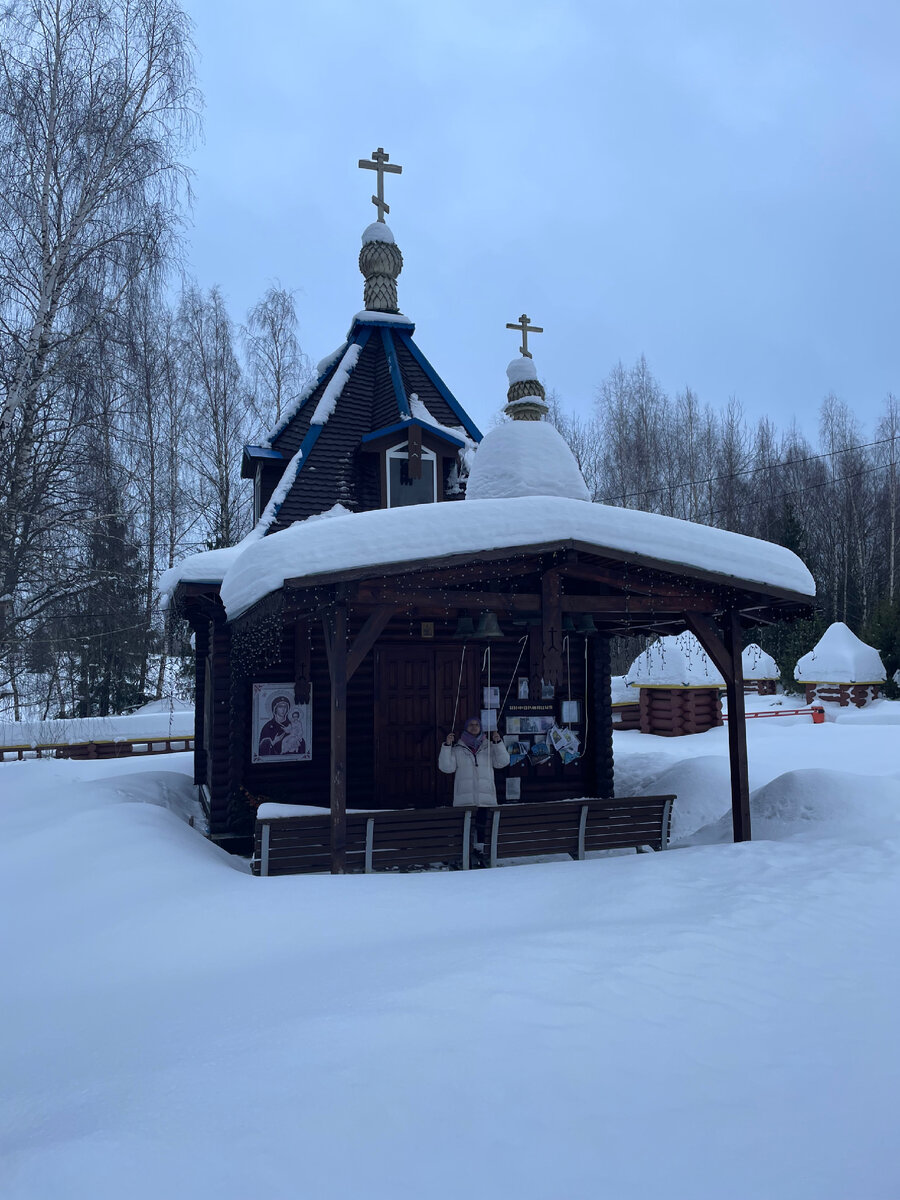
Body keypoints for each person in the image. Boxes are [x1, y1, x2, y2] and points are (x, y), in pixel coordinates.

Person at [439, 716, 510, 856]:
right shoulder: (458, 748)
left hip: (485, 796)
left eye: (476, 724)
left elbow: (503, 762)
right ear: (466, 728)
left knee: (482, 827)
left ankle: (480, 852)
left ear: (480, 727)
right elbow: (446, 767)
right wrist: (447, 746)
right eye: (470, 724)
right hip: (465, 797)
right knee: (465, 828)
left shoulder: (489, 746)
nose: (473, 727)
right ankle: (464, 853)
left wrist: (498, 743)